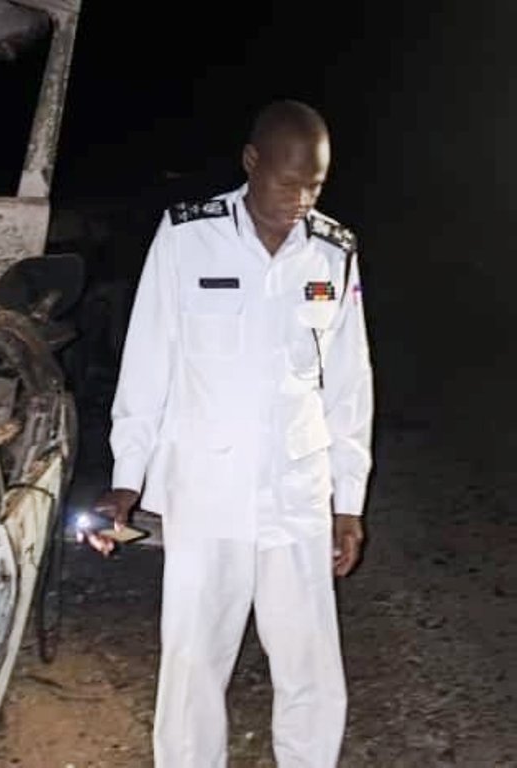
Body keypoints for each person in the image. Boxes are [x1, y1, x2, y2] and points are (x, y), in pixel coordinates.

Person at [88, 100, 374, 767]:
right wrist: (127, 478)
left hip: (297, 492)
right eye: (287, 182)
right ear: (251, 162)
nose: (300, 199)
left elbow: (349, 383)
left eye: (314, 186)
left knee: (309, 665)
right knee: (193, 661)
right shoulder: (188, 236)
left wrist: (349, 502)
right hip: (206, 489)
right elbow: (148, 362)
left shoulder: (333, 250)